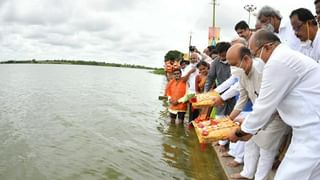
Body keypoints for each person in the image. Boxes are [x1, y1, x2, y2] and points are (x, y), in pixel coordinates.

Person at [228, 29, 320, 180]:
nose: (257, 58)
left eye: (256, 54)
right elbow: (271, 104)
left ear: (268, 47)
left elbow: (264, 105)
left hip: (312, 130)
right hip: (308, 128)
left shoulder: (278, 61)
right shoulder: (285, 57)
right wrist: (247, 124)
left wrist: (240, 132)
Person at [226, 43, 288, 180]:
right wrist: (228, 120)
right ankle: (247, 173)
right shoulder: (242, 74)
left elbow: (270, 105)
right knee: (250, 142)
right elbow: (242, 98)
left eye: (235, 64)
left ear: (247, 59)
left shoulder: (263, 72)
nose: (234, 69)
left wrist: (248, 126)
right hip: (258, 112)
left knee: (266, 149)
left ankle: (260, 178)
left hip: (275, 114)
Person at [204, 42, 235, 116]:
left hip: (235, 95)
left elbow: (235, 80)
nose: (222, 58)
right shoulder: (215, 62)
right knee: (219, 118)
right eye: (220, 55)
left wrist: (229, 94)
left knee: (233, 118)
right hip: (220, 94)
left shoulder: (235, 60)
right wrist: (206, 93)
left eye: (224, 56)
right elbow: (210, 78)